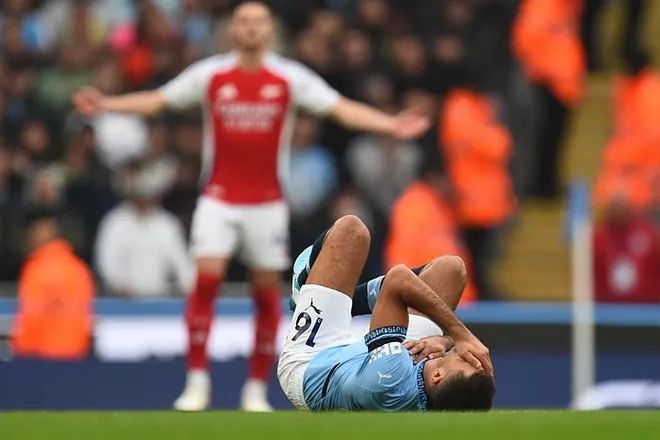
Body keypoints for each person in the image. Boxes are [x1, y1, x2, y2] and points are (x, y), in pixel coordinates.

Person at [72, 0, 429, 412]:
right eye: (244, 22)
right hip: (219, 198)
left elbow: (338, 108)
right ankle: (196, 382)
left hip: (266, 203)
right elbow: (160, 100)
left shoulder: (288, 77)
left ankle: (256, 389)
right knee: (205, 285)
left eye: (259, 22)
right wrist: (107, 105)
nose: (251, 29)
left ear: (269, 29)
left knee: (264, 293)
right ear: (232, 30)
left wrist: (390, 124)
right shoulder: (211, 74)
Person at [278, 215, 494, 411]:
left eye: (465, 364)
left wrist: (460, 335)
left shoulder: (391, 377)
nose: (470, 358)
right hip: (385, 361)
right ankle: (338, 300)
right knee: (451, 270)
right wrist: (445, 340)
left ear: (438, 375)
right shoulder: (435, 385)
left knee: (352, 231)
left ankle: (308, 291)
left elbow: (397, 279)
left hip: (314, 367)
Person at [95, 163, 193, 298]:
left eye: (148, 195)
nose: (144, 200)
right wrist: (118, 283)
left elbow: (182, 262)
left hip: (160, 299)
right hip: (123, 301)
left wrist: (189, 285)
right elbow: (107, 261)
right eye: (140, 194)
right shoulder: (115, 222)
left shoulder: (167, 223)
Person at [11, 210, 95, 360]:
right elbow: (86, 318)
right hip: (75, 356)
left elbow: (30, 317)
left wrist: (20, 352)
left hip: (39, 357)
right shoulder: (79, 269)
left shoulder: (36, 270)